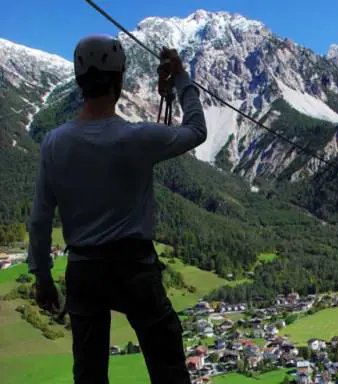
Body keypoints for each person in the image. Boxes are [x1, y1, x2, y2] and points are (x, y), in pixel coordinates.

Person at [27, 34, 206, 384]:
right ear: (120, 81)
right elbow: (196, 130)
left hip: (83, 270)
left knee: (89, 373)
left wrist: (43, 277)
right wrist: (181, 78)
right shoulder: (136, 138)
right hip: (134, 268)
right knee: (166, 363)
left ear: (79, 83)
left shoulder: (54, 143)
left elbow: (40, 218)